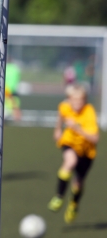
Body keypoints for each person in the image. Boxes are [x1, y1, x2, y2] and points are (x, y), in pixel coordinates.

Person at [47, 84, 99, 224]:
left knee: (78, 183)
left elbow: (95, 138)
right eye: (73, 100)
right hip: (69, 143)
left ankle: (74, 204)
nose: (76, 104)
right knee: (70, 161)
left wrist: (77, 128)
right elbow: (61, 116)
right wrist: (57, 130)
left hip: (86, 151)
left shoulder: (89, 112)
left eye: (80, 100)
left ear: (85, 100)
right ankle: (59, 196)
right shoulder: (64, 106)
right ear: (69, 99)